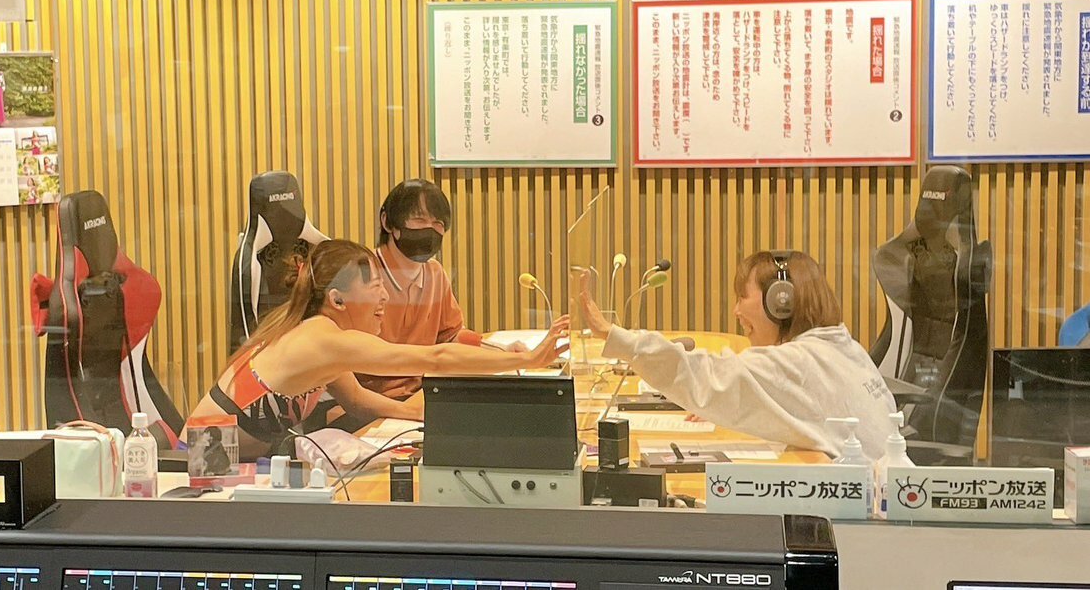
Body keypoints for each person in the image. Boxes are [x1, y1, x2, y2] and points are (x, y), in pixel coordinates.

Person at [185, 239, 568, 459]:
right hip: (199, 465)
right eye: (373, 287)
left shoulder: (318, 336)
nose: (384, 297)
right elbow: (435, 357)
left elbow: (357, 400)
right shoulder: (324, 340)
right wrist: (527, 359)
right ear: (337, 299)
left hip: (234, 465)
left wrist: (415, 412)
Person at [575, 250, 897, 461]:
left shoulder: (800, 363)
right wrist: (730, 399)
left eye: (743, 297)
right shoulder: (842, 347)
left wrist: (614, 335)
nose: (736, 311)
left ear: (780, 302)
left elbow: (701, 373)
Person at [356, 179, 526, 400]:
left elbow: (452, 336)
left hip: (423, 395)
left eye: (437, 223)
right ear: (388, 222)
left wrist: (498, 350)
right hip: (370, 401)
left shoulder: (435, 273)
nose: (430, 229)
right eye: (419, 220)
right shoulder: (362, 274)